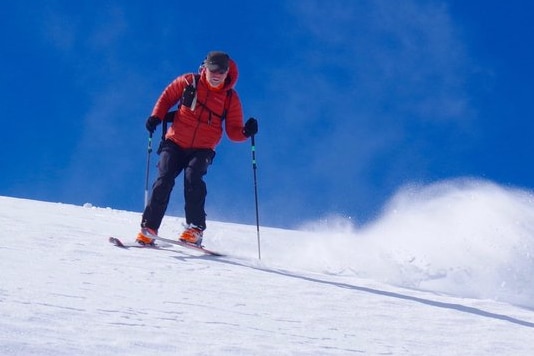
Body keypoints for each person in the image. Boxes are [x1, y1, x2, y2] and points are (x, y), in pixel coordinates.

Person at [136, 51, 258, 246]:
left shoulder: (230, 98)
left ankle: (195, 230)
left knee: (193, 179)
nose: (217, 74)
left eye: (222, 70)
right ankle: (149, 228)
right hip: (175, 142)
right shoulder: (188, 81)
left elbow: (233, 132)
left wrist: (246, 132)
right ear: (205, 68)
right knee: (164, 179)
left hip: (203, 148)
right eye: (213, 69)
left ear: (227, 73)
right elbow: (167, 98)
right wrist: (156, 117)